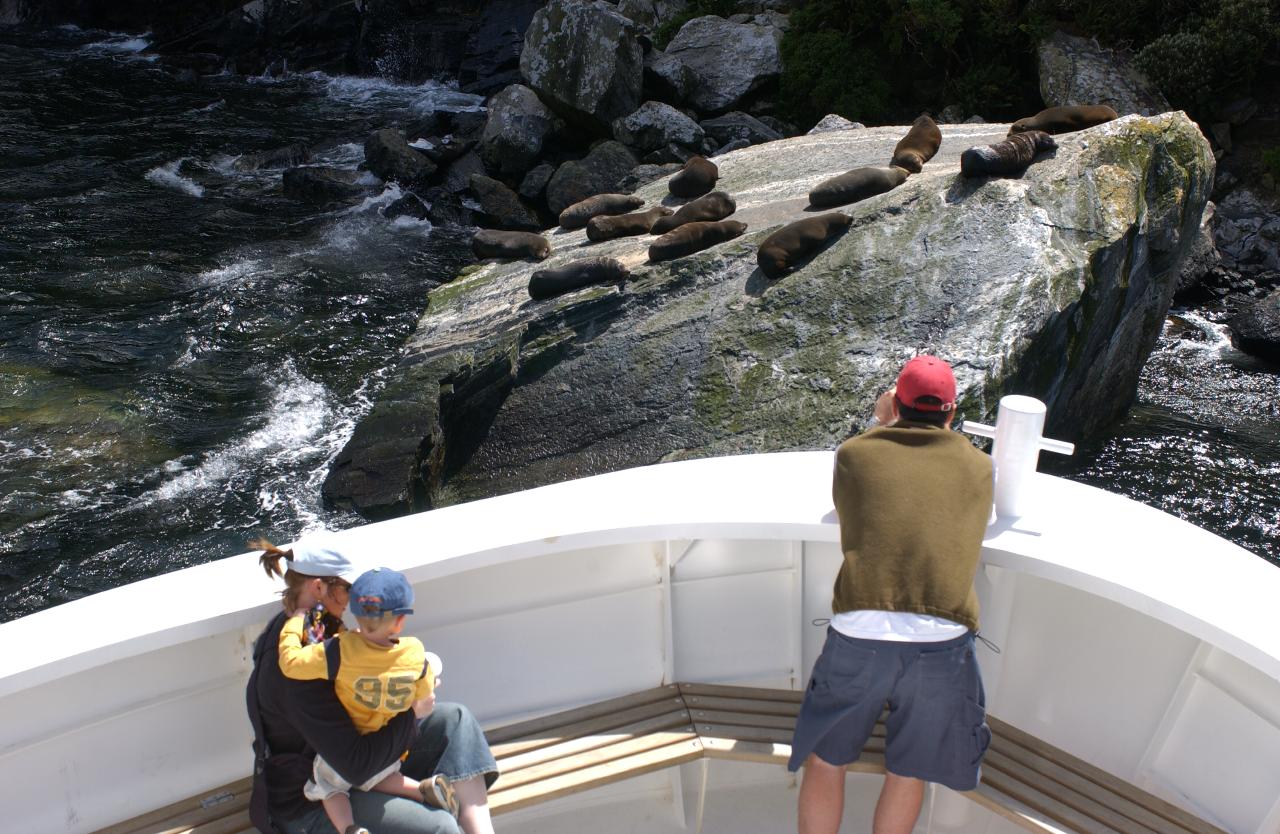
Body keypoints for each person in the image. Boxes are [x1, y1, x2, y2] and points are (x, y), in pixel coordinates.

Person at [789, 355, 994, 834]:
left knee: (826, 761)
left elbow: (852, 502)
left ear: (896, 403)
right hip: (942, 642)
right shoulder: (980, 467)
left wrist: (882, 422)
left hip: (860, 632)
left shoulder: (856, 453)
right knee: (908, 772)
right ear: (951, 411)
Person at [248, 533, 499, 834]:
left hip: (352, 762)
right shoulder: (298, 670)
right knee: (439, 828)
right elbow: (356, 765)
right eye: (349, 589)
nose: (357, 599)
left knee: (455, 721)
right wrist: (412, 713)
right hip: (314, 797)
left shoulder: (319, 629)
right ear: (318, 587)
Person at [276, 566, 455, 834]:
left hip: (349, 749)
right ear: (400, 621)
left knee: (328, 788)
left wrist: (293, 624)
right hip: (389, 747)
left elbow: (291, 664)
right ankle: (420, 790)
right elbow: (424, 693)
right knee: (381, 775)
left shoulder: (340, 650)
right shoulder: (415, 653)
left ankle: (349, 828)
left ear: (356, 615)